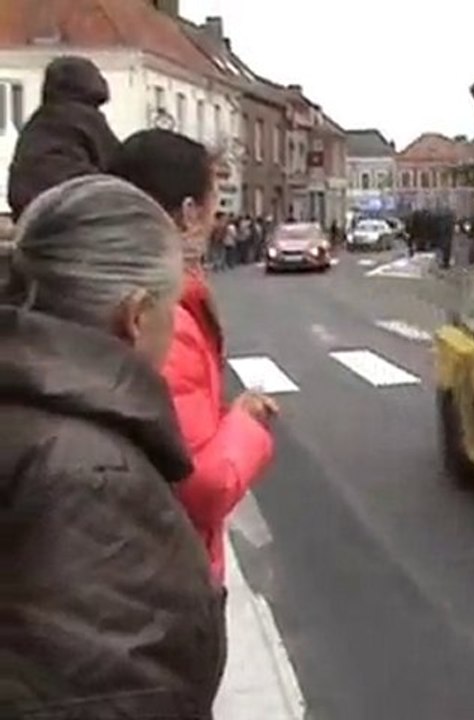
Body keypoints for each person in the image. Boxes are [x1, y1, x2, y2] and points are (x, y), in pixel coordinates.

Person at [0, 175, 224, 719]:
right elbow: (109, 696)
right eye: (171, 307)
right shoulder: (91, 476)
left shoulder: (34, 413)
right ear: (136, 315)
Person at [110, 129, 276, 590]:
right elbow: (202, 485)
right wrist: (246, 423)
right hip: (170, 578)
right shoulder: (164, 319)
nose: (214, 223)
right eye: (213, 208)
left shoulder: (103, 286)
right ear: (187, 215)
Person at [7, 56, 121, 222]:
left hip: (32, 212)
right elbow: (117, 162)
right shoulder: (83, 118)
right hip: (75, 207)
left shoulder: (38, 122)